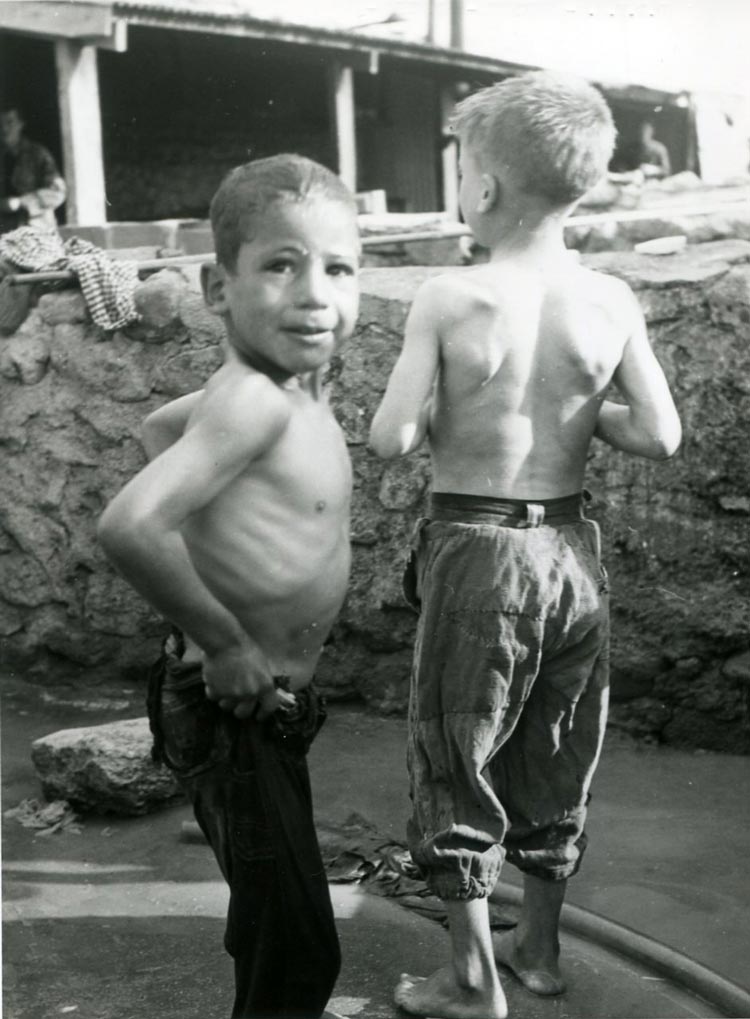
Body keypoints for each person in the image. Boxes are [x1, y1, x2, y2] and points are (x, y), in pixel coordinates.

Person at [370, 71, 681, 1019]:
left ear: (486, 188)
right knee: (555, 744)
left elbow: (389, 438)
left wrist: (441, 409)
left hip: (478, 547)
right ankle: (539, 951)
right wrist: (578, 411)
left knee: (454, 753)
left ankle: (470, 980)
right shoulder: (610, 297)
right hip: (571, 551)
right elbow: (661, 435)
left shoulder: (451, 295)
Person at [98, 154, 361, 1019]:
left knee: (270, 904)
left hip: (264, 708)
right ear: (218, 288)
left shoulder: (273, 394)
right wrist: (227, 643)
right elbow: (131, 525)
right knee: (299, 946)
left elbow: (159, 425)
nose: (315, 293)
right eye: (280, 265)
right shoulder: (255, 402)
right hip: (234, 703)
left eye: (338, 267)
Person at [0, 105, 66, 235]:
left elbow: (57, 192)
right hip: (4, 235)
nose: (4, 129)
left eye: (10, 122)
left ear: (21, 124)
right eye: (0, 124)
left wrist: (22, 202)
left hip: (37, 232)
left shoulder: (38, 154)